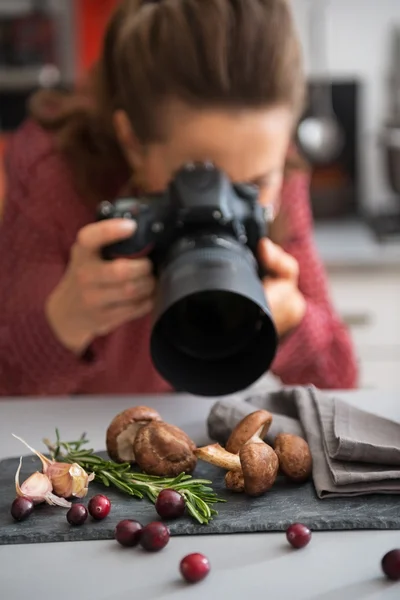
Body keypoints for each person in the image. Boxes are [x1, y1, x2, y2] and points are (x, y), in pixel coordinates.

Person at [0, 0, 358, 397]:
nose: (223, 207)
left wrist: (293, 319)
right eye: (198, 181)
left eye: (253, 185)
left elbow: (343, 382)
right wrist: (64, 322)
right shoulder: (53, 171)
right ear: (132, 141)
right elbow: (9, 391)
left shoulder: (277, 168)